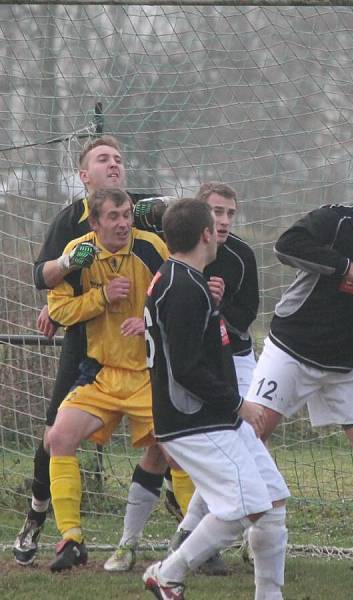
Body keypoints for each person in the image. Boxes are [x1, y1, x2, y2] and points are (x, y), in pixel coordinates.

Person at [13, 135, 171, 568]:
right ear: (85, 176)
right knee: (54, 435)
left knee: (176, 441)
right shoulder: (70, 223)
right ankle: (40, 517)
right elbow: (43, 277)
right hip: (87, 350)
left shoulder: (139, 213)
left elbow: (180, 230)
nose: (114, 164)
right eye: (104, 159)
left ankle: (188, 525)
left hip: (142, 351)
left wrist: (165, 206)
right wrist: (64, 289)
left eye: (119, 158)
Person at [243, 184, 353, 585]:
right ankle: (215, 536)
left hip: (351, 366)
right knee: (249, 434)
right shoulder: (331, 221)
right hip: (292, 349)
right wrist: (350, 270)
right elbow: (287, 245)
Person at [142, 199, 290, 600]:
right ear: (206, 234)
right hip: (194, 420)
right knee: (242, 507)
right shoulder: (184, 288)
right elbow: (186, 369)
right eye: (216, 223)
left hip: (217, 418)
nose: (222, 229)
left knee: (272, 503)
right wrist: (237, 403)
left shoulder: (187, 279)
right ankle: (169, 574)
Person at [43, 188, 168, 571]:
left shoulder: (151, 248)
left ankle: (168, 543)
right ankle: (71, 540)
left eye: (127, 214)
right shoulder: (79, 253)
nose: (123, 223)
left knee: (173, 451)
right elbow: (59, 309)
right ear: (95, 223)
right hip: (103, 373)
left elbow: (178, 298)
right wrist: (102, 297)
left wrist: (147, 319)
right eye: (113, 216)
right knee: (58, 437)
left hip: (149, 375)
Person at [163, 182, 261, 577]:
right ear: (200, 218)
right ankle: (194, 539)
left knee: (251, 441)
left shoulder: (240, 256)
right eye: (216, 212)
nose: (222, 221)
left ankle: (195, 533)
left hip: (235, 358)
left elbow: (247, 314)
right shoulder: (177, 262)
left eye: (230, 213)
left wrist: (220, 307)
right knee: (234, 454)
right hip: (197, 368)